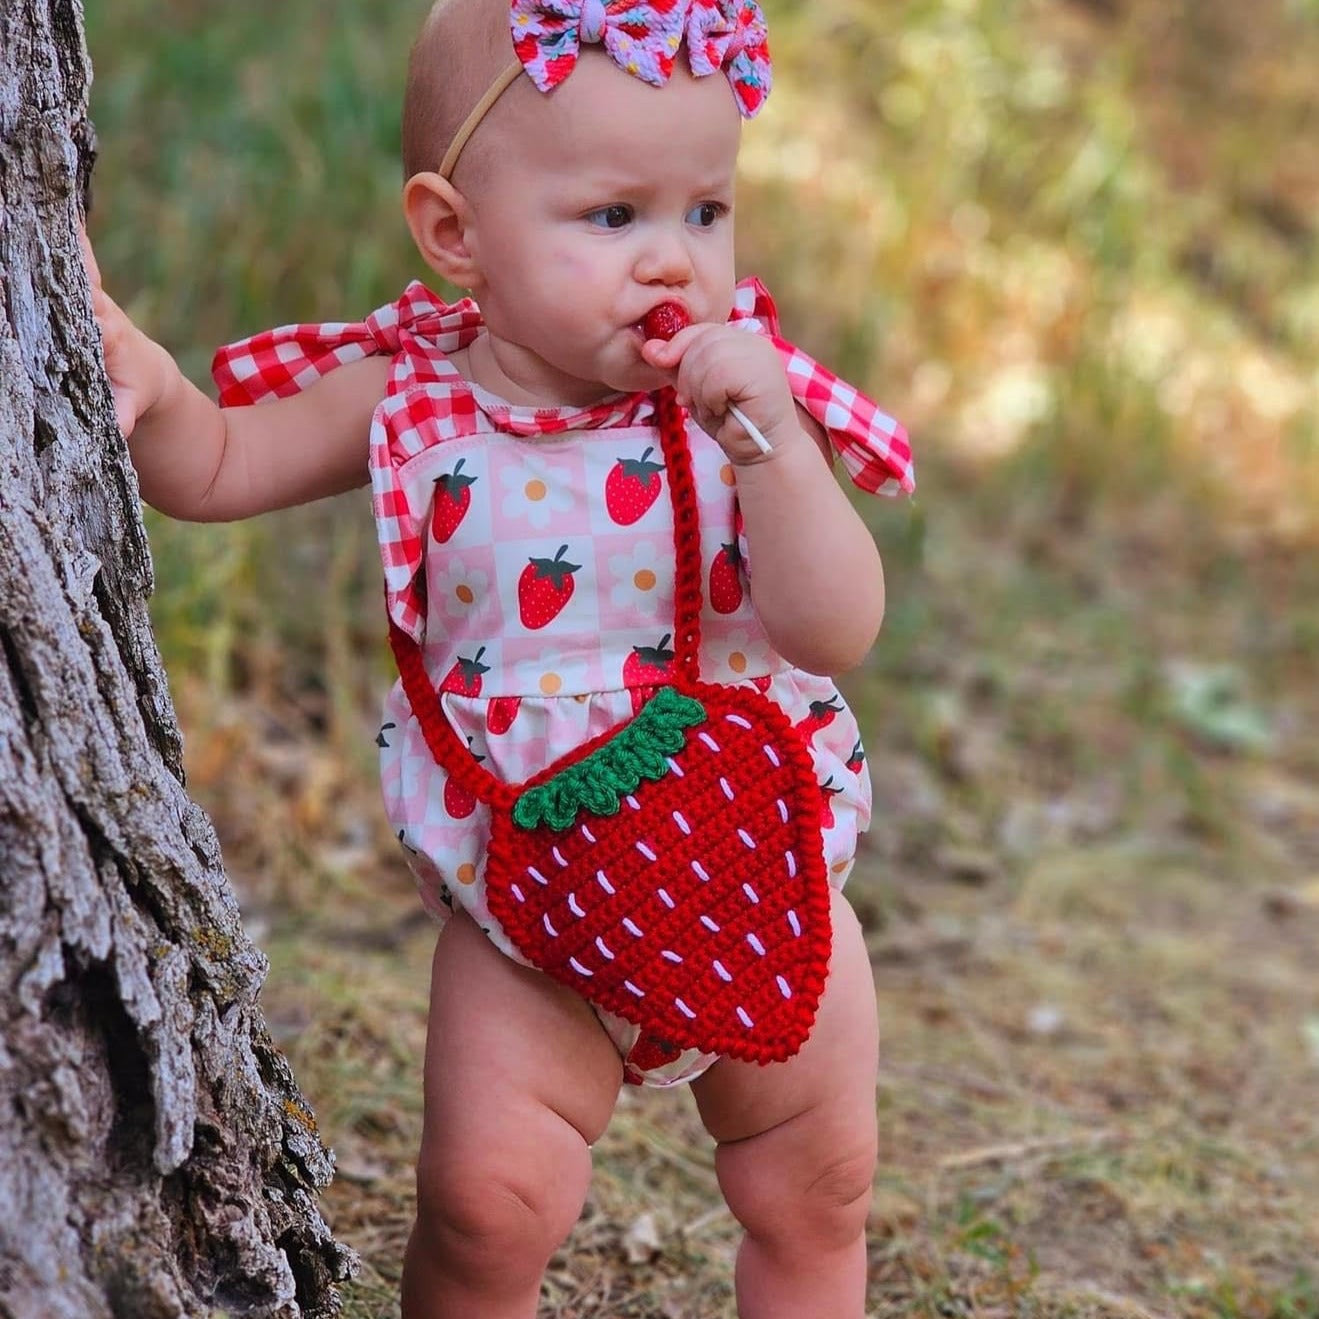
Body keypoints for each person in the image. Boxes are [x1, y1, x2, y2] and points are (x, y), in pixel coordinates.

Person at [86, 0, 915, 1314]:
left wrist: (773, 446)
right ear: (453, 233)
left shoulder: (738, 416)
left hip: (752, 864)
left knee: (813, 1185)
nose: (674, 264)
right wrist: (145, 381)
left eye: (706, 211)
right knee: (484, 1207)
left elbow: (835, 629)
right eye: (613, 217)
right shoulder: (413, 396)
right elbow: (221, 466)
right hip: (528, 893)